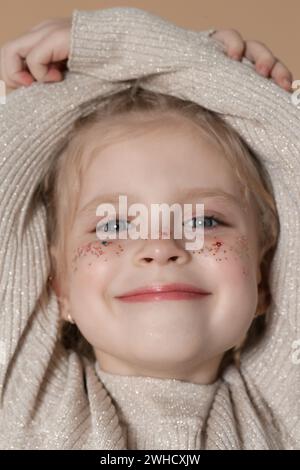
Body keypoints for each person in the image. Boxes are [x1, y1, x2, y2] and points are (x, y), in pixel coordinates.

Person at [0, 7, 299, 450]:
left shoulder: (283, 413)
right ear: (58, 285)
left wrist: (218, 68)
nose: (160, 247)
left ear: (264, 274)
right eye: (114, 225)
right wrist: (165, 52)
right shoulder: (22, 406)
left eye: (203, 221)